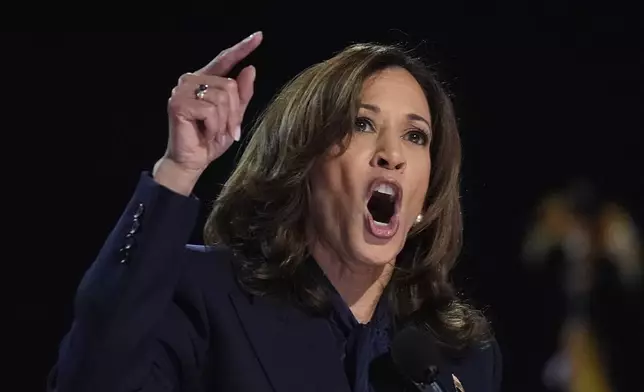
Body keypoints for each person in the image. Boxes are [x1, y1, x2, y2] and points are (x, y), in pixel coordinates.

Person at [47, 32, 502, 392]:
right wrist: (179, 169)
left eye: (415, 136)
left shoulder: (461, 356)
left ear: (425, 197)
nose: (392, 154)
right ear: (303, 166)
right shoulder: (207, 296)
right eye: (362, 124)